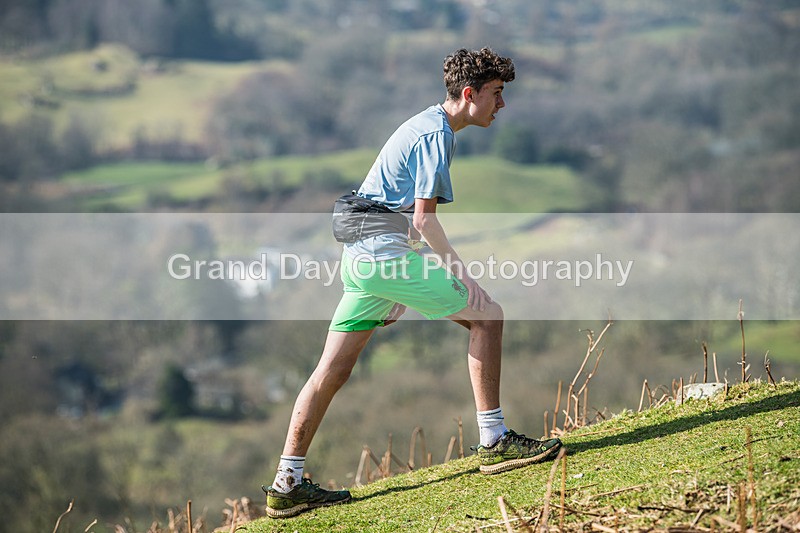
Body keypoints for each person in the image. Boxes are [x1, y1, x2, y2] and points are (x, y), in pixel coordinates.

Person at [262, 46, 563, 519]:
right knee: (489, 316)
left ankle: (287, 484)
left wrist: (392, 285)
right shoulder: (435, 135)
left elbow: (392, 207)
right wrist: (462, 278)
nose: (502, 105)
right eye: (497, 94)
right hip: (381, 258)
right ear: (470, 93)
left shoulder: (427, 124)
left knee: (331, 371)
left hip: (363, 260)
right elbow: (423, 220)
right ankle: (495, 439)